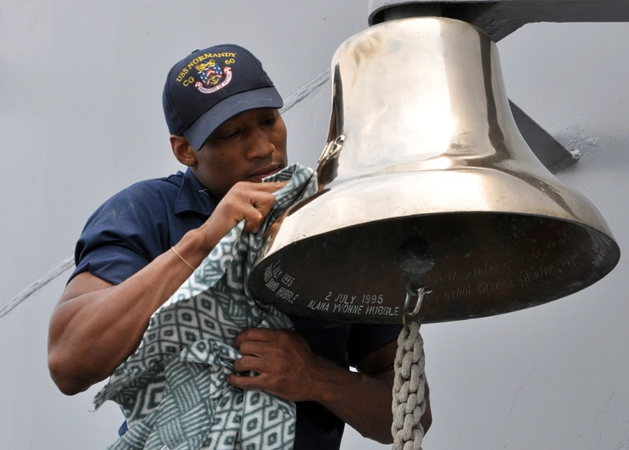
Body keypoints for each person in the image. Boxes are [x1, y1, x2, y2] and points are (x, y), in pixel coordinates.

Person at [47, 44, 431, 449]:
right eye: (232, 134)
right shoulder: (144, 214)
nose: (263, 147)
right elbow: (69, 362)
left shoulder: (335, 226)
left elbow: (410, 416)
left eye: (269, 120)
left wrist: (314, 377)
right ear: (185, 150)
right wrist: (201, 242)